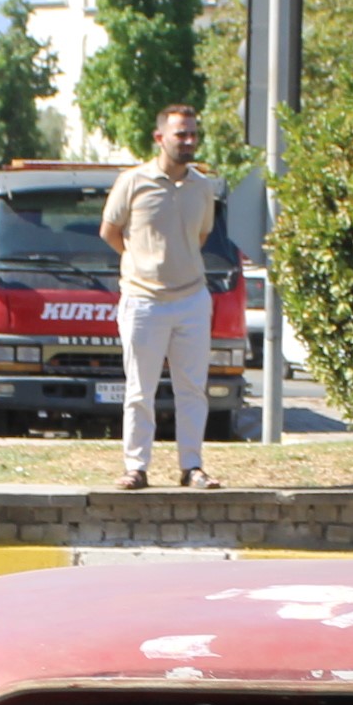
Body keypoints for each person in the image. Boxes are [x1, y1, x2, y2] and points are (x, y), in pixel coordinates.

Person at [97, 103, 221, 490]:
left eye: (192, 134)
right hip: (143, 301)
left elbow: (199, 237)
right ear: (159, 138)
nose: (188, 141)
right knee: (139, 389)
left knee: (191, 387)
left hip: (191, 300)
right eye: (180, 134)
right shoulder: (133, 181)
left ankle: (192, 466)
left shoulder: (202, 187)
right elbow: (110, 231)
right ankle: (136, 467)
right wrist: (140, 263)